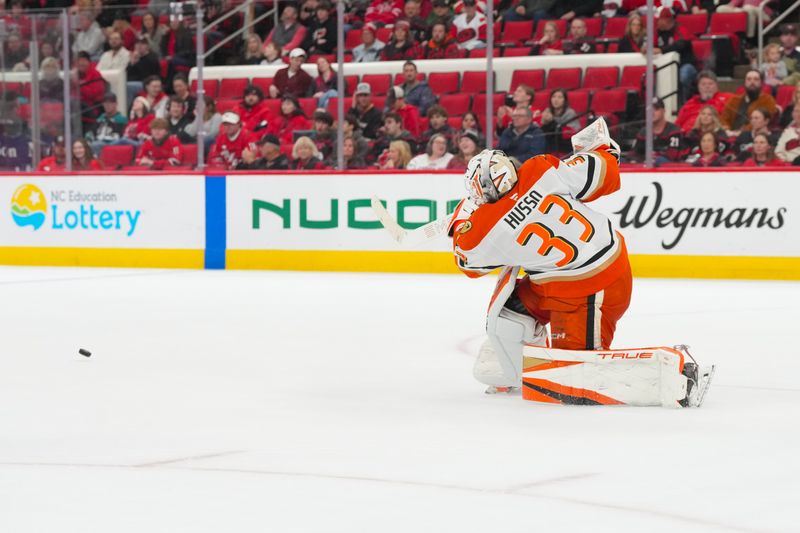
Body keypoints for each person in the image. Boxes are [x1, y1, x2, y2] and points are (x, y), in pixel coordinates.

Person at [448, 128, 633, 394]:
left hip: (590, 293)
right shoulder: (541, 168)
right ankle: (524, 369)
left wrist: (462, 218)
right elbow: (603, 170)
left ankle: (604, 372)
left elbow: (467, 262)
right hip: (587, 272)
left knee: (575, 380)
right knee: (510, 315)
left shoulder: (487, 229)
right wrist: (602, 150)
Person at [651, 7, 697, 104]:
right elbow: (651, 45)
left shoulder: (679, 29)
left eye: (659, 20)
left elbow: (681, 44)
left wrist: (661, 50)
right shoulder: (658, 32)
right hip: (666, 67)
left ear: (666, 20)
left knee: (684, 75)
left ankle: (685, 103)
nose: (657, 23)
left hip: (684, 64)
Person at [632, 99, 685, 164]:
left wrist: (653, 161)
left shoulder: (674, 130)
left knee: (660, 160)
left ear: (664, 111)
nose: (652, 112)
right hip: (646, 167)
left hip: (669, 168)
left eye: (656, 109)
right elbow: (634, 153)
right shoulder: (644, 131)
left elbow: (672, 155)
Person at [538, 88, 580, 154]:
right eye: (553, 97)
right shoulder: (548, 111)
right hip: (548, 144)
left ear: (565, 100)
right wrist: (543, 121)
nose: (556, 100)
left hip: (564, 145)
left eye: (560, 97)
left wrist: (552, 122)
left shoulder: (570, 113)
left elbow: (570, 133)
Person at [126, 37, 160, 105]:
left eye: (142, 44)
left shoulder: (151, 58)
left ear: (147, 46)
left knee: (127, 86)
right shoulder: (135, 58)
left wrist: (136, 62)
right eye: (137, 43)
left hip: (147, 83)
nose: (139, 46)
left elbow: (146, 76)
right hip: (135, 82)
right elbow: (127, 75)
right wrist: (132, 63)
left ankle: (128, 109)